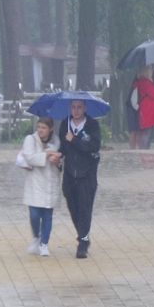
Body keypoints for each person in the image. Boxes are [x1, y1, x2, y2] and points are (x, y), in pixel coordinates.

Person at [58, 100, 102, 259]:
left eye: (79, 107)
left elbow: (94, 146)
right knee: (73, 208)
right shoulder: (65, 124)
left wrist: (74, 140)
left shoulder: (92, 125)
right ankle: (83, 234)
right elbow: (63, 147)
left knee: (85, 209)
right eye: (73, 107)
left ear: (85, 108)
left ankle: (83, 243)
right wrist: (58, 156)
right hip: (70, 174)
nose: (76, 111)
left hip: (87, 174)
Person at [17, 117, 63, 256]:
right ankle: (36, 237)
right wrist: (46, 154)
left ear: (51, 129)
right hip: (35, 183)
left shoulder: (57, 141)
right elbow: (29, 157)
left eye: (44, 128)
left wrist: (57, 162)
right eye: (39, 127)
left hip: (50, 182)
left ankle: (44, 244)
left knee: (47, 215)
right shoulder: (30, 139)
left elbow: (62, 160)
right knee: (35, 214)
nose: (40, 130)